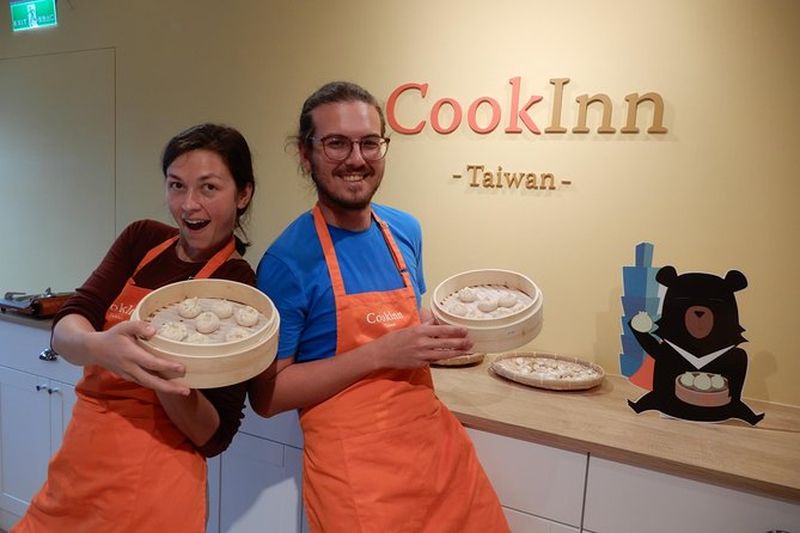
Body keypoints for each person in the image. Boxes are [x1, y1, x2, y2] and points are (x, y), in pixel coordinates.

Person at [249, 81, 509, 532]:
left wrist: (443, 328)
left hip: (436, 453)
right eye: (336, 143)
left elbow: (406, 320)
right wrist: (382, 353)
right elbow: (269, 396)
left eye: (370, 142)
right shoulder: (287, 262)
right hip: (356, 476)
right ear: (305, 155)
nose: (356, 158)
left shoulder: (404, 230)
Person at [14, 123, 257, 533]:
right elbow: (68, 325)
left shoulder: (240, 289)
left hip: (154, 483)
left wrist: (159, 372)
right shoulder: (141, 240)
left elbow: (213, 435)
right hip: (79, 466)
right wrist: (99, 347)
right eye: (176, 186)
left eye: (209, 188)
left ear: (243, 194)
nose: (188, 205)